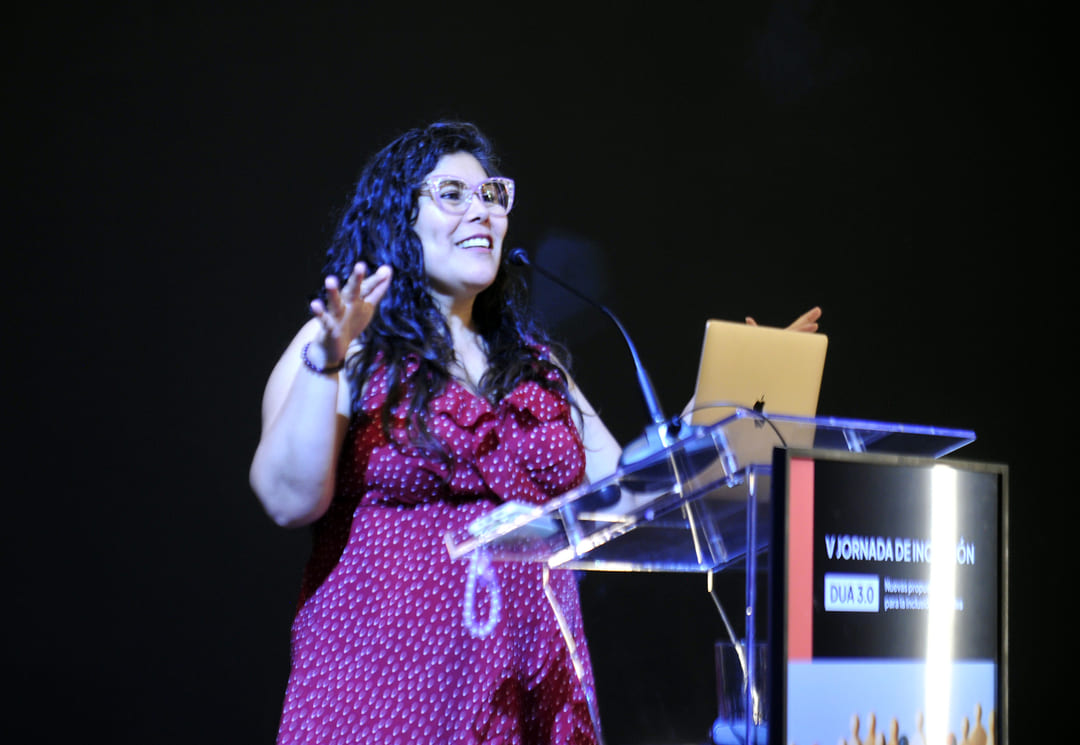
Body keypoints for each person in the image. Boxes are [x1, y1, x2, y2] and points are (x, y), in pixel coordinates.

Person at [250, 120, 821, 745]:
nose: (482, 212)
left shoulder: (535, 367)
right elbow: (288, 499)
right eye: (453, 195)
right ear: (397, 218)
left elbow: (627, 494)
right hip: (385, 688)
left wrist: (724, 404)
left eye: (492, 195)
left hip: (533, 682)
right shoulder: (343, 344)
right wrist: (327, 359)